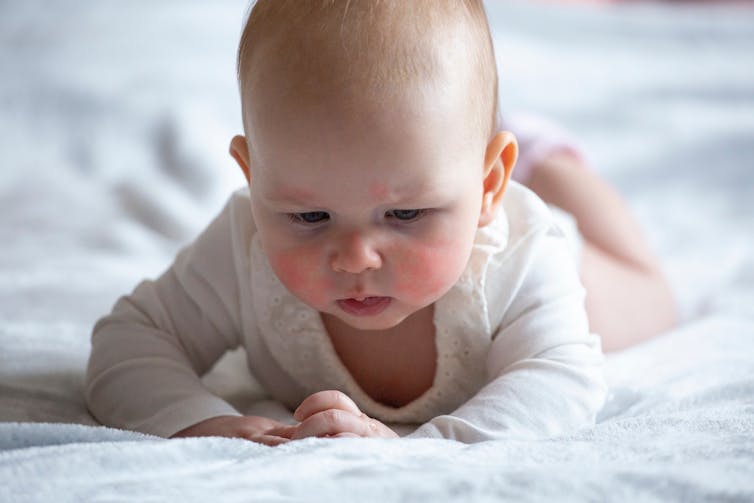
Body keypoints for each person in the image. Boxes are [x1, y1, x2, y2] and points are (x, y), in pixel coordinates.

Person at [85, 0, 674, 445]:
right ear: (252, 177)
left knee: (651, 297)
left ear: (489, 187)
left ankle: (548, 162)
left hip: (572, 255)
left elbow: (561, 384)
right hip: (450, 170)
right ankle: (451, 156)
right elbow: (130, 340)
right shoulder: (243, 242)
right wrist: (199, 421)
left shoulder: (522, 254)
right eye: (309, 215)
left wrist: (421, 452)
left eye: (406, 213)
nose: (356, 257)